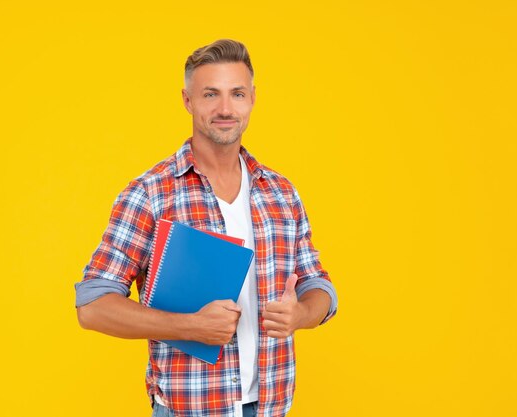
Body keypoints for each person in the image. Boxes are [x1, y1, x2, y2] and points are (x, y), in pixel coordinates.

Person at [75, 39, 338, 417]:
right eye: (210, 94)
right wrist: (190, 326)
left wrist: (301, 315)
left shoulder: (280, 193)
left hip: (271, 408)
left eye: (237, 93)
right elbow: (92, 306)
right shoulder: (151, 194)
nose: (225, 109)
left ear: (253, 99)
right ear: (187, 101)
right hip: (189, 409)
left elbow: (319, 287)